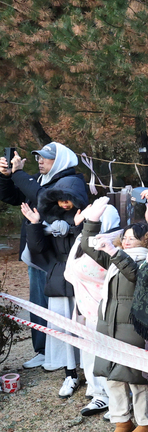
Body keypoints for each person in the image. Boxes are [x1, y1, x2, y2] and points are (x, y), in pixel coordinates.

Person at [75, 198, 148, 432]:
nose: (127, 241)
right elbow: (87, 246)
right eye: (125, 237)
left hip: (133, 329)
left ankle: (146, 422)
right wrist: (92, 221)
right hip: (108, 326)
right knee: (112, 376)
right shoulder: (116, 257)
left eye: (133, 238)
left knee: (136, 379)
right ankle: (122, 421)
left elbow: (135, 276)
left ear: (146, 240)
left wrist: (114, 252)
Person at [1, 142, 85, 371]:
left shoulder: (70, 181)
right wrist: (6, 177)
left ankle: (66, 353)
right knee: (38, 301)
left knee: (58, 303)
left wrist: (19, 173)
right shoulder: (40, 179)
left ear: (60, 160)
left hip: (58, 254)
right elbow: (11, 196)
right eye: (38, 157)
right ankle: (42, 350)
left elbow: (43, 199)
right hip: (38, 249)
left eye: (45, 157)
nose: (40, 161)